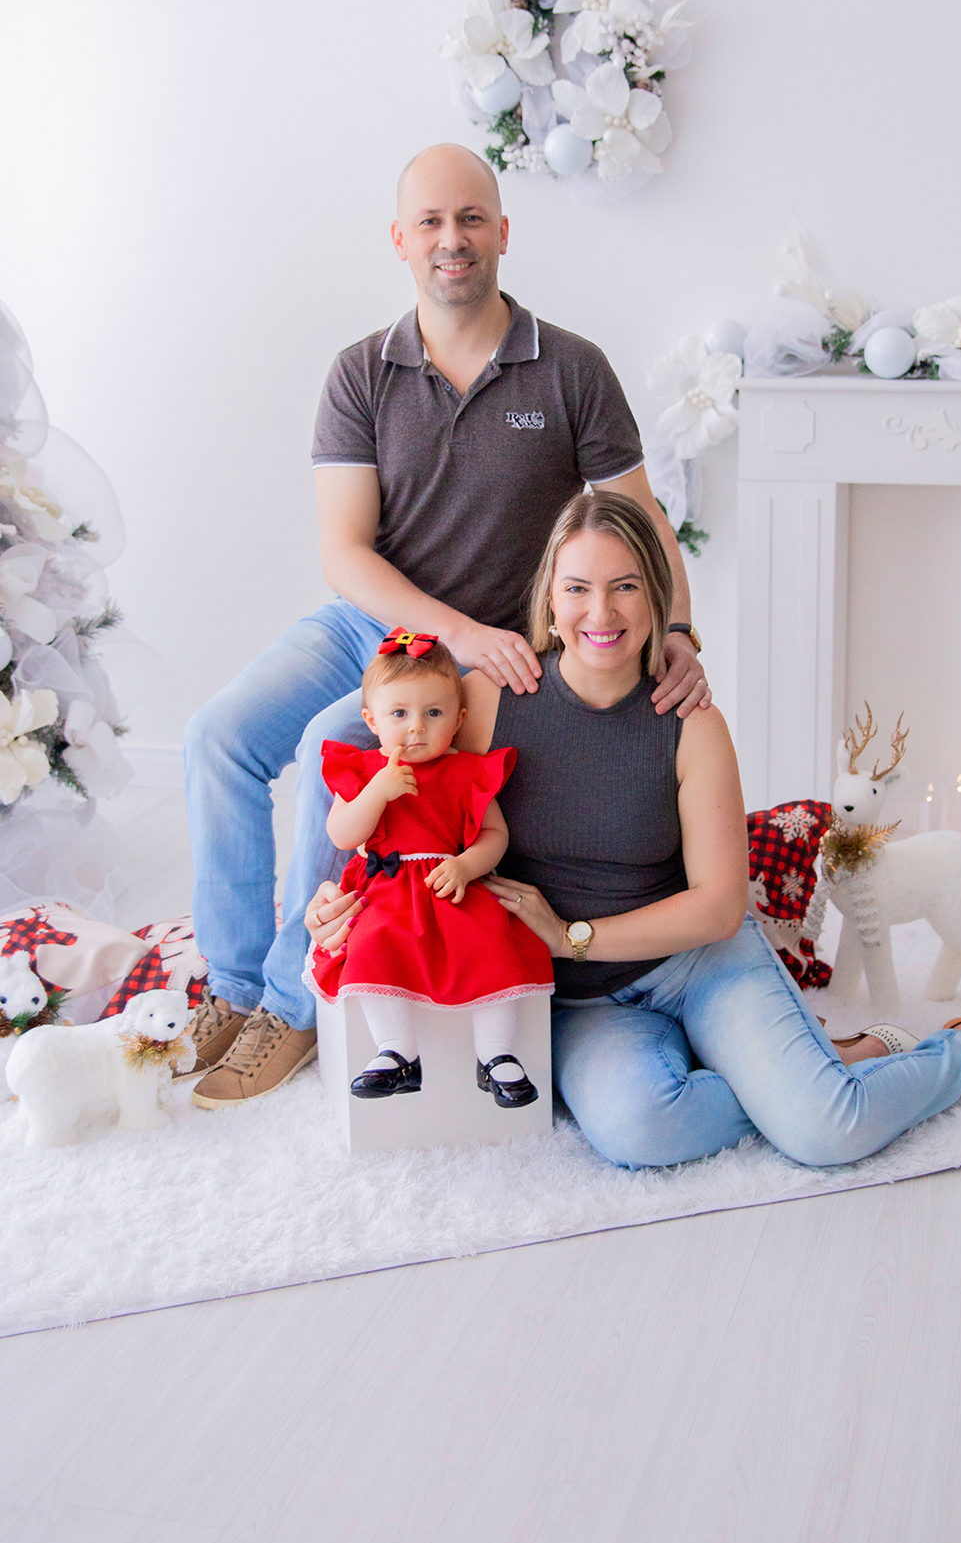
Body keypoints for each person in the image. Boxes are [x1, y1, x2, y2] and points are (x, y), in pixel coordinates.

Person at [306, 492, 961, 1172]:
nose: (600, 613)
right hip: (584, 1001)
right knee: (637, 1129)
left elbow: (720, 907)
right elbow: (400, 805)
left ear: (656, 598)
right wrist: (337, 903)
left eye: (624, 588)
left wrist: (568, 933)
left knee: (826, 1129)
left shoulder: (689, 719)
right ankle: (831, 1061)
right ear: (549, 596)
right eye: (577, 588)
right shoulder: (483, 702)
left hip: (699, 962)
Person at [183, 143, 709, 1108]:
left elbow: (640, 519)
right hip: (371, 625)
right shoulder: (360, 372)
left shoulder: (572, 369)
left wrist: (677, 631)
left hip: (491, 653)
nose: (451, 239)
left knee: (331, 741)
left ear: (503, 233)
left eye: (470, 219)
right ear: (400, 241)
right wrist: (450, 628)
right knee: (217, 736)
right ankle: (229, 987)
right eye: (429, 222)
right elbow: (345, 553)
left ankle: (293, 1009)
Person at [309, 626, 552, 1107]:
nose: (416, 727)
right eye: (399, 713)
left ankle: (497, 1056)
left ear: (459, 719)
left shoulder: (465, 770)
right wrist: (377, 791)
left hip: (450, 884)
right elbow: (342, 835)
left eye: (433, 713)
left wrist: (465, 866)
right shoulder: (359, 772)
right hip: (385, 889)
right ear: (371, 720)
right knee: (372, 940)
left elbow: (494, 835)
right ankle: (396, 1052)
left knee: (492, 941)